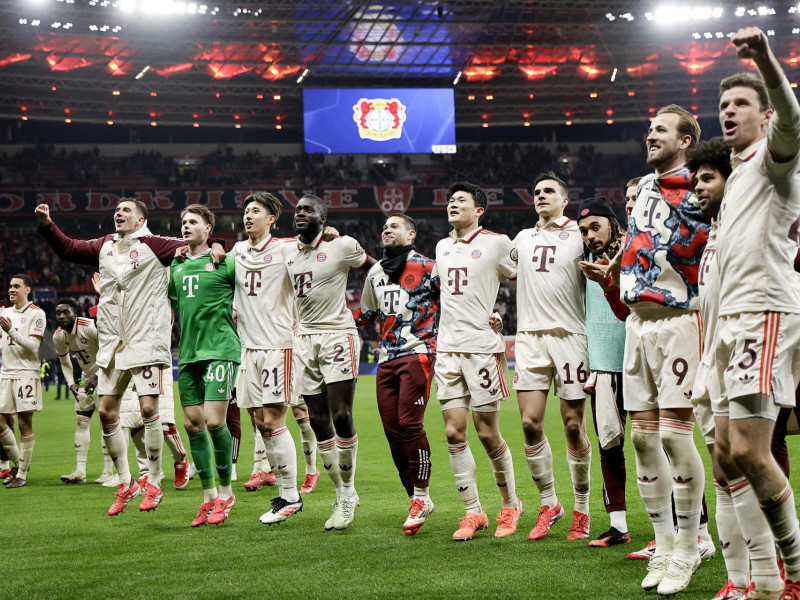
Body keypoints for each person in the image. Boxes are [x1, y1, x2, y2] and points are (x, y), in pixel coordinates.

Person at [35, 199, 224, 515]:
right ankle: (127, 483)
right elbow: (67, 249)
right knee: (108, 412)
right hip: (112, 342)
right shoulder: (104, 245)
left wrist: (216, 244)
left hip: (145, 339)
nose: (118, 213)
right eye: (116, 210)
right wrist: (47, 225)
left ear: (140, 220)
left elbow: (194, 243)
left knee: (149, 407)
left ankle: (153, 481)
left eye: (125, 210)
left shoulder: (155, 245)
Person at [604, 104, 709, 595]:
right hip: (637, 325)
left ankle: (690, 548)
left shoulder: (702, 183)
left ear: (686, 140)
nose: (650, 136)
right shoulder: (643, 187)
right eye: (649, 129)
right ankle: (663, 545)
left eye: (661, 130)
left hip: (678, 320)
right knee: (642, 439)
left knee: (673, 436)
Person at [714, 27, 800, 599]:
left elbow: (792, 116)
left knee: (750, 449)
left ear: (764, 116)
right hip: (726, 322)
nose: (728, 112)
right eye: (722, 105)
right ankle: (763, 583)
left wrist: (766, 60)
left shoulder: (776, 160)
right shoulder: (739, 174)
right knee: (725, 457)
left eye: (741, 103)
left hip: (762, 312)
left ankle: (795, 572)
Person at [284, 194, 375, 530]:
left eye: (308, 210)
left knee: (341, 414)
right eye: (297, 210)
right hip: (304, 340)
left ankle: (349, 492)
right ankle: (341, 492)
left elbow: (376, 269)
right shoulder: (286, 251)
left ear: (323, 218)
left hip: (338, 335)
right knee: (317, 420)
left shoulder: (343, 245)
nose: (300, 214)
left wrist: (368, 308)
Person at [434, 181, 519, 541]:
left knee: (487, 433)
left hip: (481, 348)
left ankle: (511, 504)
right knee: (454, 433)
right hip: (447, 349)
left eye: (461, 200)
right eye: (451, 200)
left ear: (479, 210)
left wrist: (503, 318)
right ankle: (473, 512)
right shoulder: (441, 246)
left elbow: (528, 280)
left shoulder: (498, 243)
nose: (453, 204)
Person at [513, 172, 592, 542]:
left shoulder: (581, 235)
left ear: (565, 199)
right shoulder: (522, 238)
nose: (540, 195)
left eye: (548, 191)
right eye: (536, 191)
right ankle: (550, 503)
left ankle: (582, 508)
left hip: (570, 337)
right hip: (529, 337)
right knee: (530, 424)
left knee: (574, 427)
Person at [354, 213, 439, 535]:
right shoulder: (375, 272)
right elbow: (368, 313)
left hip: (418, 351)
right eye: (384, 226)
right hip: (386, 358)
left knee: (408, 423)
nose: (386, 229)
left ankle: (421, 496)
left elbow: (456, 301)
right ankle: (416, 497)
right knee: (391, 430)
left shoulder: (428, 267)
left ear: (412, 233)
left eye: (395, 226)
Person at [229, 192, 309, 525]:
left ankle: (291, 497)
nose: (248, 216)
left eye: (255, 211)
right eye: (246, 211)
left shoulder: (288, 247)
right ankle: (286, 492)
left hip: (279, 346)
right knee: (260, 422)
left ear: (271, 219)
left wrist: (328, 237)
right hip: (249, 349)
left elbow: (319, 247)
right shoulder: (236, 250)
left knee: (274, 421)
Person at [169, 204, 239, 526]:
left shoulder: (226, 263)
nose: (186, 226)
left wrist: (219, 247)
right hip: (188, 354)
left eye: (193, 222)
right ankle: (209, 497)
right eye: (183, 222)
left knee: (213, 421)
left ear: (208, 229)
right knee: (193, 424)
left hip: (220, 349)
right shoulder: (177, 266)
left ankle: (226, 493)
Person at [576, 197, 630, 547]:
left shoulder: (632, 250)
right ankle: (619, 526)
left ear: (612, 223)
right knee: (609, 446)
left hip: (641, 361)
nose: (590, 235)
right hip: (604, 365)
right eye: (584, 230)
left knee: (663, 445)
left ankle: (683, 529)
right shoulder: (587, 263)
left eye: (596, 226)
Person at [53, 297, 115, 484]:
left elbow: (110, 347)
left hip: (107, 375)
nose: (62, 316)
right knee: (81, 422)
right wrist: (71, 383)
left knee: (107, 423)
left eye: (66, 312)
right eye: (58, 313)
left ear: (75, 314)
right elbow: (65, 362)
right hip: (87, 379)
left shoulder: (88, 326)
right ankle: (80, 471)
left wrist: (98, 376)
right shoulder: (59, 336)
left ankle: (108, 471)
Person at [0, 275, 46, 488]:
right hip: (6, 373)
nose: (12, 290)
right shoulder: (5, 312)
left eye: (16, 286)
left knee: (23, 423)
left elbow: (33, 347)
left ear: (27, 290)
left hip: (26, 373)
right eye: (10, 286)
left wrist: (11, 331)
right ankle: (19, 464)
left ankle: (22, 475)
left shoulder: (37, 313)